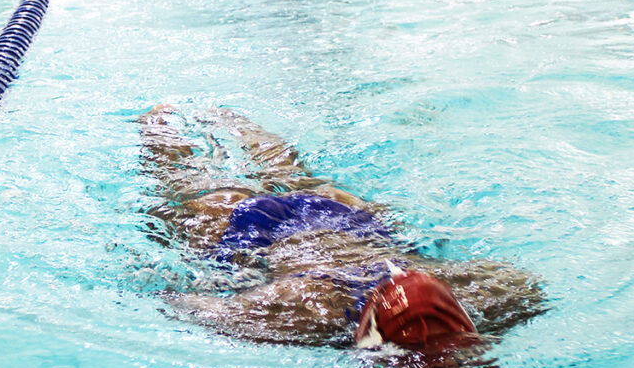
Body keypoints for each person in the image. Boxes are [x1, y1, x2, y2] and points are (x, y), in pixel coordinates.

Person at [139, 104, 544, 353]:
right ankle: (160, 123)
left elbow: (525, 285)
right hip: (257, 229)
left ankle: (216, 120)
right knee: (185, 183)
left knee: (286, 170)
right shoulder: (303, 309)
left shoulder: (486, 290)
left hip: (353, 223)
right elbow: (189, 305)